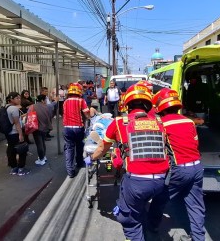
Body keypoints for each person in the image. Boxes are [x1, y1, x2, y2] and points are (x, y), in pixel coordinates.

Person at [86, 83, 169, 241]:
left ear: (126, 104)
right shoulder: (159, 122)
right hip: (161, 182)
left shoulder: (119, 122)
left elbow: (102, 148)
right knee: (145, 208)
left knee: (130, 221)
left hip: (136, 182)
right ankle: (152, 228)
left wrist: (90, 158)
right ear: (147, 104)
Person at [149, 88, 205, 241]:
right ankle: (199, 237)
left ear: (160, 107)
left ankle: (151, 228)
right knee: (195, 204)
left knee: (160, 199)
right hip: (198, 167)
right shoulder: (189, 121)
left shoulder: (161, 124)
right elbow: (194, 143)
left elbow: (158, 148)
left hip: (179, 169)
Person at [62, 83, 90, 178]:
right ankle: (79, 163)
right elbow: (87, 114)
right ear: (79, 92)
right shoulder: (81, 101)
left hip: (67, 128)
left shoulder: (65, 102)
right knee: (79, 146)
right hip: (78, 128)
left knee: (69, 149)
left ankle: (70, 171)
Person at [5, 92, 30, 176]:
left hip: (8, 132)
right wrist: (20, 134)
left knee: (11, 149)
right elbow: (17, 123)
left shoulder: (6, 107)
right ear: (11, 99)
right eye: (17, 98)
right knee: (22, 149)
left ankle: (13, 168)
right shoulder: (14, 109)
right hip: (15, 132)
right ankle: (21, 169)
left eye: (19, 98)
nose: (19, 100)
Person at [32, 95, 53, 165]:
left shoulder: (32, 107)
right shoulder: (47, 107)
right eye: (46, 100)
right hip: (45, 128)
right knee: (43, 143)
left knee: (39, 144)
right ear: (42, 100)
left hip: (36, 128)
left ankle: (41, 159)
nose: (46, 101)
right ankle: (43, 156)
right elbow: (50, 116)